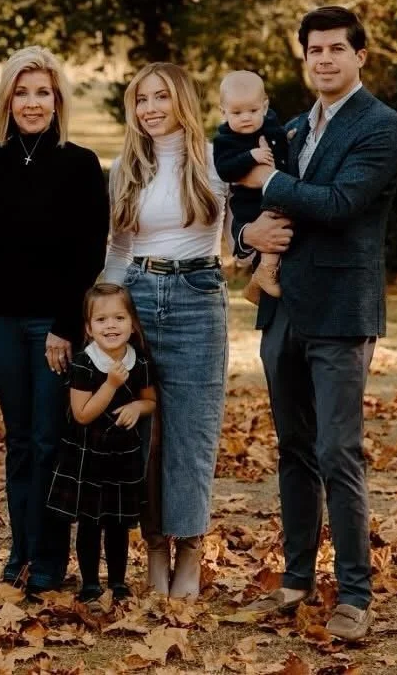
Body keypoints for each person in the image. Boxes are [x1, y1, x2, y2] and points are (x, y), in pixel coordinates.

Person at [234, 6, 397, 641]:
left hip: (341, 311)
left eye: (337, 49)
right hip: (282, 309)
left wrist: (268, 179)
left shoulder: (380, 125)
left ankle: (355, 593)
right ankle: (296, 580)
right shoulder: (292, 125)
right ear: (304, 58)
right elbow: (246, 199)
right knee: (294, 451)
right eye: (315, 51)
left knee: (340, 452)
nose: (325, 59)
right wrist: (247, 229)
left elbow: (341, 205)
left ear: (360, 56)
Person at [0, 45, 109, 594]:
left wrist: (66, 327)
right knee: (19, 441)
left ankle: (49, 560)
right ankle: (19, 552)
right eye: (21, 92)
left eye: (42, 92)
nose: (31, 102)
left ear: (57, 100)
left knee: (50, 441)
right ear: (7, 100)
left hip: (53, 326)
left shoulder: (79, 164)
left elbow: (88, 255)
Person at [101, 61, 230, 600]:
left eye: (160, 98)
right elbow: (118, 248)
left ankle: (191, 551)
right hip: (138, 298)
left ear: (182, 101)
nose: (150, 109)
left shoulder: (219, 161)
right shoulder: (127, 166)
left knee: (193, 435)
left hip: (198, 297)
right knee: (145, 439)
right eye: (141, 100)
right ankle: (154, 547)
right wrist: (102, 313)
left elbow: (243, 230)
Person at [46, 283, 156, 604]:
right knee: (91, 524)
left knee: (118, 523)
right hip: (88, 456)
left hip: (124, 456)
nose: (111, 326)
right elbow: (82, 414)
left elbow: (150, 401)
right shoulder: (84, 363)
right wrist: (111, 385)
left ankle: (119, 582)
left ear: (132, 323)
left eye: (119, 318)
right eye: (102, 320)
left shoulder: (140, 361)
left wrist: (137, 406)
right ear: (89, 328)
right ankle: (90, 583)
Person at [213, 70, 290, 303]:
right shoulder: (226, 140)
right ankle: (266, 271)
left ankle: (261, 279)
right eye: (237, 112)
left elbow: (280, 149)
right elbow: (225, 169)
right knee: (272, 229)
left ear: (265, 107)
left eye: (253, 111)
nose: (246, 118)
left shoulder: (271, 128)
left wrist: (288, 141)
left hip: (278, 195)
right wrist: (250, 156)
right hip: (249, 205)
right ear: (223, 112)